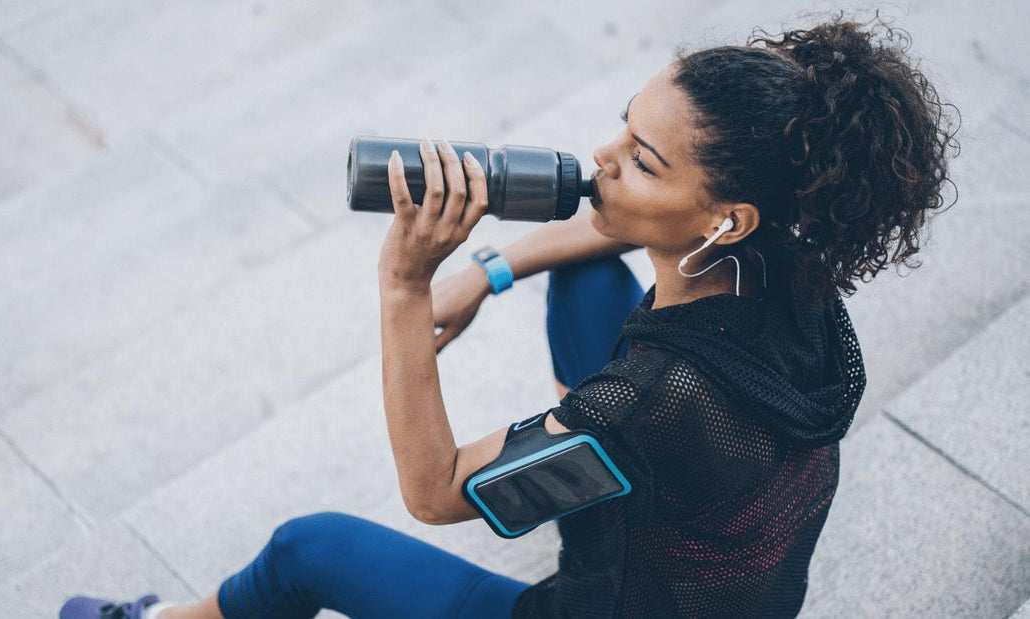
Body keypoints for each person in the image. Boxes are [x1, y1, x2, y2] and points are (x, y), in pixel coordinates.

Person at [60, 10, 959, 619]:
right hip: (683, 538)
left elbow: (434, 490)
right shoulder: (790, 265)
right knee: (582, 282)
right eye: (622, 126)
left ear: (725, 217)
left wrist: (408, 288)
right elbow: (598, 231)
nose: (602, 159)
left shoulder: (650, 398)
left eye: (643, 160)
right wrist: (486, 271)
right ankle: (576, 472)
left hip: (616, 600)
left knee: (307, 548)